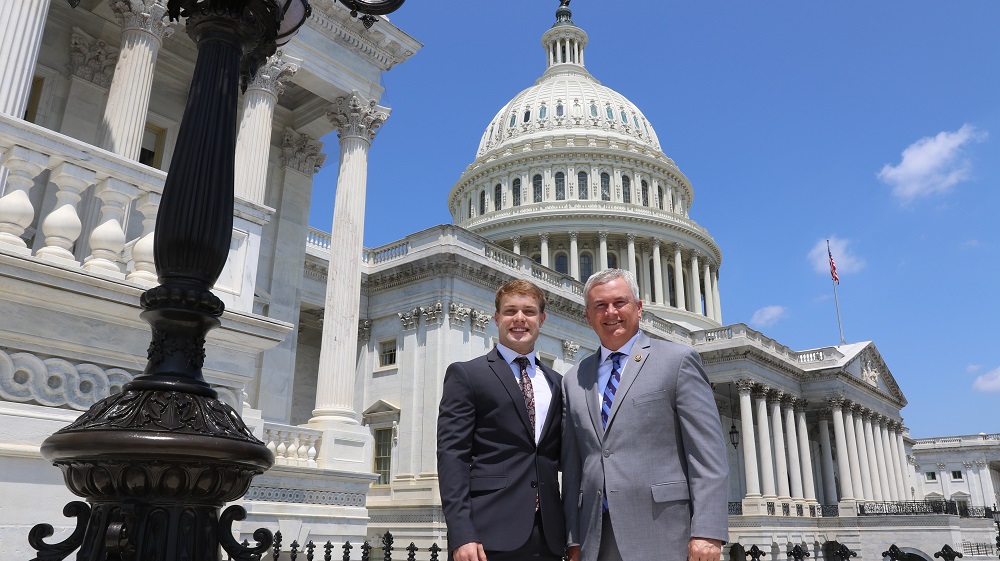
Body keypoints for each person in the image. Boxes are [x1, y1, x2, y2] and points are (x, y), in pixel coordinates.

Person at [561, 269, 728, 561]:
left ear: (639, 308)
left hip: (663, 533)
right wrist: (573, 538)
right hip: (595, 537)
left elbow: (707, 454)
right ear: (588, 316)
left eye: (619, 302)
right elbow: (575, 466)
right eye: (600, 306)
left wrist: (707, 531)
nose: (610, 312)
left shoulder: (677, 361)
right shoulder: (574, 378)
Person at [437, 279, 566, 561]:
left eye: (529, 312)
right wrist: (462, 533)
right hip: (486, 535)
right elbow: (452, 456)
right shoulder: (467, 375)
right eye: (510, 311)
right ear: (496, 318)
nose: (519, 319)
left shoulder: (557, 383)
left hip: (549, 537)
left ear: (541, 319)